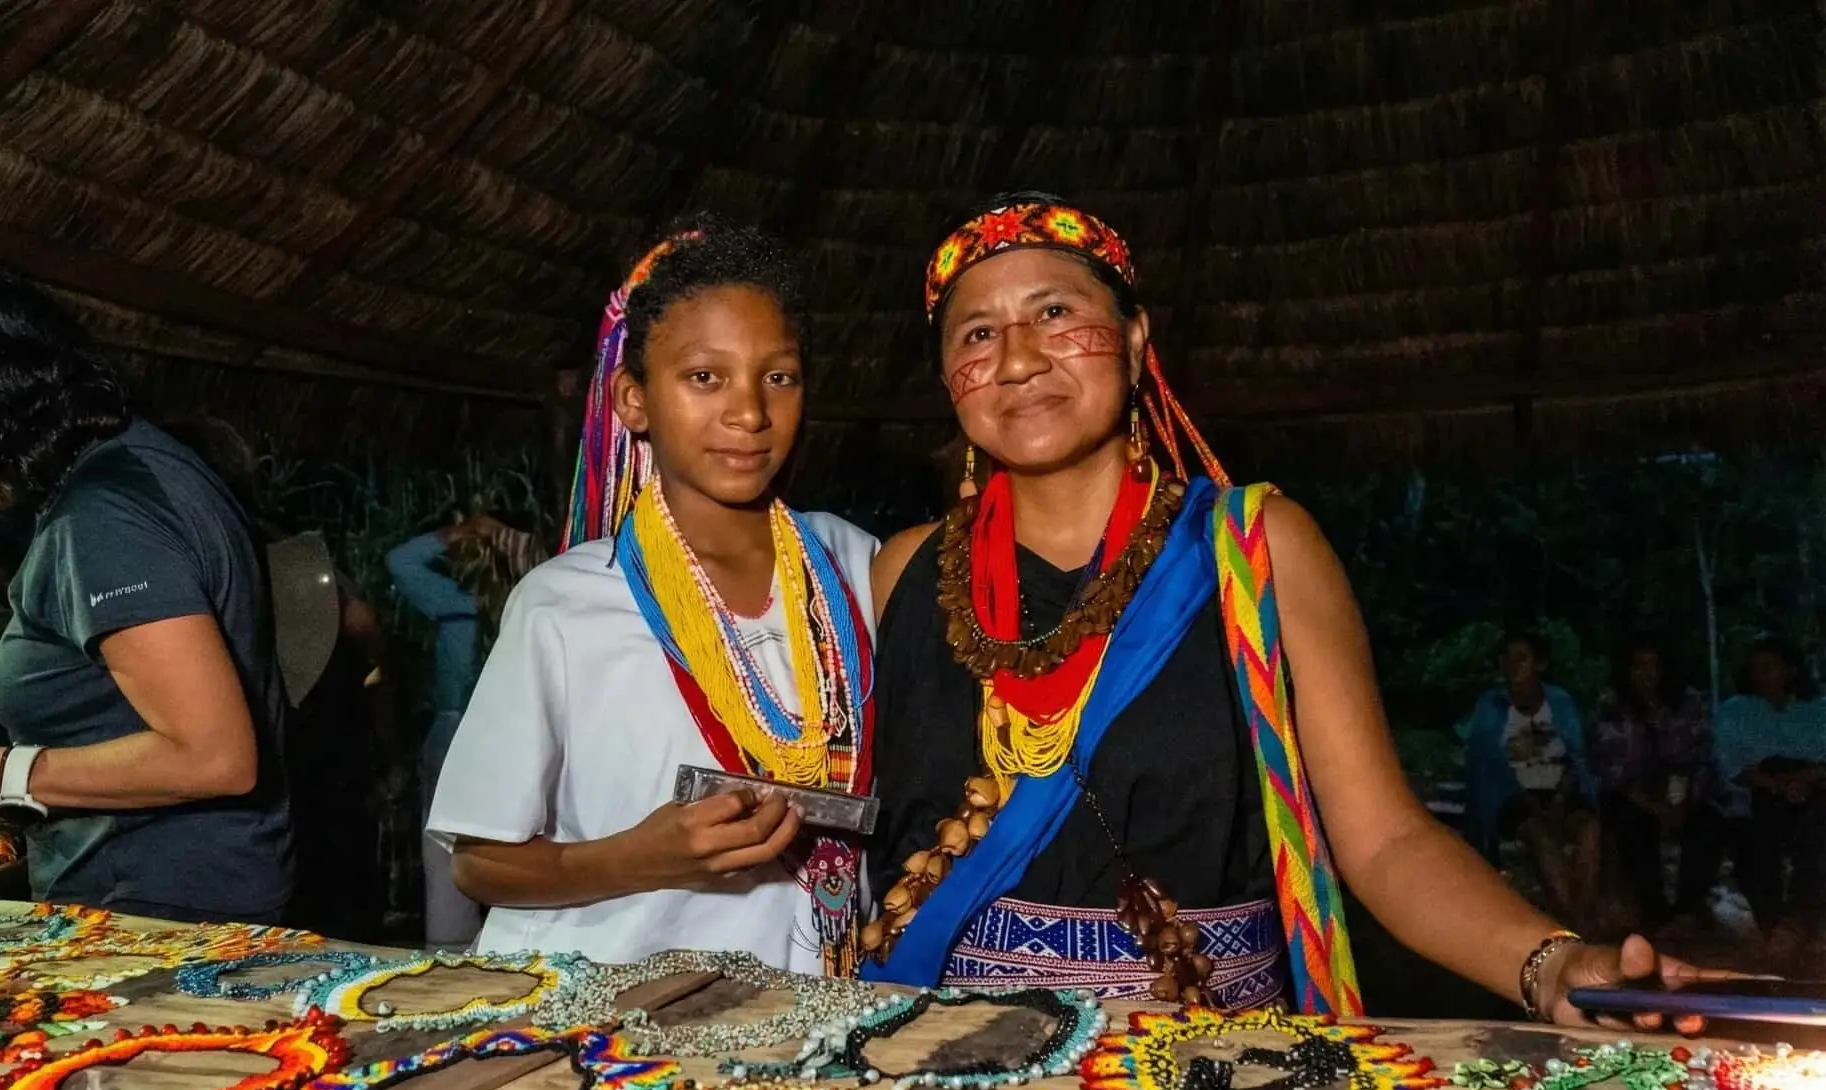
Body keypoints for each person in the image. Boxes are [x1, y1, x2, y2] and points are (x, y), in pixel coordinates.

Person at [861, 192, 1705, 1027]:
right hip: (943, 1060)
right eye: (978, 333)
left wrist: (1551, 964)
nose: (1017, 359)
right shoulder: (904, 570)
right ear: (948, 379)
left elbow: (1384, 841)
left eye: (1054, 312)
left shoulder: (1259, 549)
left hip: (1203, 1064)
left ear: (1134, 339)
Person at [427, 218, 878, 975]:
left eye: (779, 376)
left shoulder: (853, 560)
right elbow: (479, 863)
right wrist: (641, 858)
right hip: (616, 1015)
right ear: (633, 401)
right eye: (705, 376)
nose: (749, 413)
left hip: (813, 1007)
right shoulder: (566, 603)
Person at [0, 250, 291, 923]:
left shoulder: (102, 515)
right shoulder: (141, 464)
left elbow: (215, 758)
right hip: (194, 891)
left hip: (163, 907)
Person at [386, 517, 493, 948]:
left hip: (462, 734)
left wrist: (465, 530)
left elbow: (401, 560)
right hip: (460, 731)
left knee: (446, 843)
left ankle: (450, 948)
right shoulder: (468, 603)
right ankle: (453, 944)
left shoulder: (460, 604)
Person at [1464, 631, 1601, 931]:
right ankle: (1574, 924)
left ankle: (1579, 918)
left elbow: (1576, 756)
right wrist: (1528, 800)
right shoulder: (1492, 704)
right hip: (1512, 795)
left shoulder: (1559, 702)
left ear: (1539, 664)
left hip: (1559, 790)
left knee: (1589, 830)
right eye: (1508, 659)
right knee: (1540, 835)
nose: (1513, 666)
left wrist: (1561, 798)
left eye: (1521, 658)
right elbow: (1489, 763)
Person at [1595, 638, 1725, 930]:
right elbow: (1612, 768)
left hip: (1684, 793)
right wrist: (1655, 807)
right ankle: (1654, 910)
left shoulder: (1689, 702)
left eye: (1654, 665)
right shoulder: (1613, 705)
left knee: (1710, 822)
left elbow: (1704, 758)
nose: (1647, 673)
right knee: (1629, 823)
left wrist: (1686, 802)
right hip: (1635, 795)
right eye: (1639, 666)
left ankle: (1687, 907)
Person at [1715, 636, 1826, 967]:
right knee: (1754, 836)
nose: (1760, 676)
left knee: (1818, 828)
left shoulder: (1818, 709)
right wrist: (1776, 784)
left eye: (1768, 668)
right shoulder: (1736, 711)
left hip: (1813, 788)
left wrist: (1805, 779)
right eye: (1756, 669)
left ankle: (1798, 920)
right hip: (1761, 791)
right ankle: (1776, 924)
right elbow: (1731, 765)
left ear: (1789, 670)